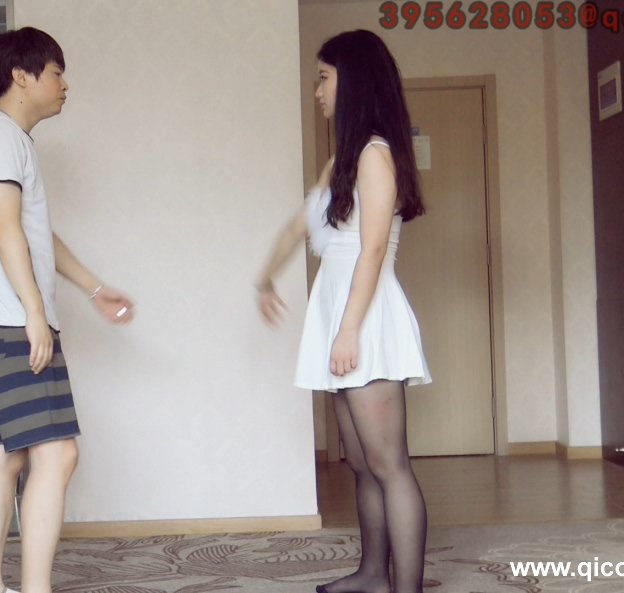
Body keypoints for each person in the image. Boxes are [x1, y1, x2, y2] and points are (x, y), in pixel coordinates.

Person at [256, 29, 431, 593]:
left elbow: (373, 250)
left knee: (389, 465)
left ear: (352, 81)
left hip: (366, 317)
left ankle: (405, 587)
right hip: (340, 313)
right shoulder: (343, 160)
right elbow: (301, 223)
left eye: (324, 78)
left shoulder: (376, 155)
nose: (318, 91)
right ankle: (373, 573)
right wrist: (265, 275)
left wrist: (349, 331)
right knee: (360, 461)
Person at [0, 27, 135, 593]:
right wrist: (34, 312)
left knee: (5, 461)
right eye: (57, 73)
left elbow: (36, 234)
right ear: (22, 75)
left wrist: (93, 288)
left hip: (0, 323)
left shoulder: (8, 138)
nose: (65, 85)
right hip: (12, 326)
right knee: (57, 456)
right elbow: (5, 228)